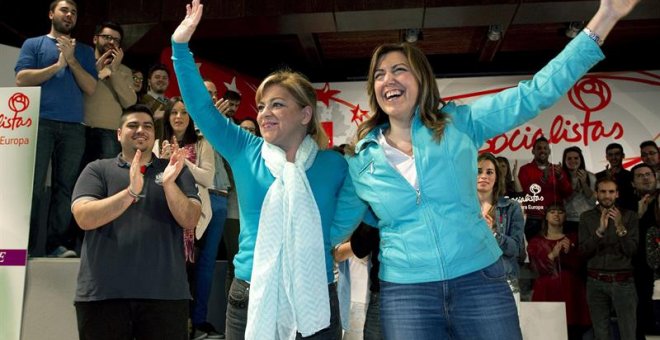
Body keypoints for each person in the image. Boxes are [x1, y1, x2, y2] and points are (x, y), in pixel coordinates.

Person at [333, 0, 641, 338]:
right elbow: (340, 224)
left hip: (479, 281)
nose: (387, 79)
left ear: (421, 77)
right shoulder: (361, 160)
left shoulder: (459, 124)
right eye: (379, 74)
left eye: (398, 69)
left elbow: (535, 93)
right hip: (407, 294)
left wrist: (606, 16)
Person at [171, 2, 366, 338]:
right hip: (250, 294)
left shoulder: (334, 165)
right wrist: (180, 47)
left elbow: (349, 214)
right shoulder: (246, 150)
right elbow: (201, 108)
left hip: (315, 293)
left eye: (277, 104)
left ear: (305, 115)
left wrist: (314, 239)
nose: (264, 113)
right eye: (261, 105)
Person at [70, 104, 201, 340]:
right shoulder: (97, 169)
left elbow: (190, 219)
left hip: (165, 297)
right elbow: (84, 217)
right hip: (103, 295)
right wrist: (130, 192)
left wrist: (169, 185)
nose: (141, 130)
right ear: (119, 134)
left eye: (148, 126)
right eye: (133, 125)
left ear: (154, 134)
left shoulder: (175, 170)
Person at [15, 0, 98, 257]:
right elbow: (22, 79)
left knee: (66, 188)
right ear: (51, 13)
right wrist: (57, 66)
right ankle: (23, 247)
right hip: (39, 122)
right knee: (34, 186)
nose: (69, 15)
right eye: (64, 10)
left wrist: (71, 61)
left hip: (74, 127)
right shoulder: (34, 44)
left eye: (74, 12)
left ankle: (56, 246)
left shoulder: (83, 51)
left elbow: (91, 87)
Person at [156, 97, 222, 340]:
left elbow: (207, 178)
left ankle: (191, 327)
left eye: (184, 112)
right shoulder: (158, 142)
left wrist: (182, 161)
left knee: (192, 275)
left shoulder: (203, 144)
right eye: (174, 112)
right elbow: (155, 180)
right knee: (167, 274)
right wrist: (164, 162)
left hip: (196, 220)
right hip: (165, 218)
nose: (178, 117)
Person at [579, 178, 639, 340]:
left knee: (628, 332)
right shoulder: (586, 217)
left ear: (617, 194)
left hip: (623, 282)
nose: (607, 196)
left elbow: (632, 251)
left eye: (611, 192)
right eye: (603, 192)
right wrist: (599, 232)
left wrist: (620, 227)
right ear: (596, 193)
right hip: (595, 282)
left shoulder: (630, 216)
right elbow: (583, 251)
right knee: (601, 333)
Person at [527, 204, 590, 340]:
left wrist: (570, 251)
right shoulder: (536, 241)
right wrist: (553, 254)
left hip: (571, 295)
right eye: (552, 212)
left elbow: (581, 265)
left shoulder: (574, 238)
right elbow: (536, 268)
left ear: (565, 216)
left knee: (573, 333)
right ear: (546, 216)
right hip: (545, 295)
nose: (556, 215)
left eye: (560, 212)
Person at [84, 20, 137, 161]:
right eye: (107, 37)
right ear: (95, 39)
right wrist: (95, 70)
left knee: (108, 178)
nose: (111, 42)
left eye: (116, 40)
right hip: (80, 129)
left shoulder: (124, 71)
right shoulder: (83, 65)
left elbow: (130, 102)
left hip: (110, 131)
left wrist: (114, 71)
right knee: (74, 178)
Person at [477, 153, 525, 300]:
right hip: (468, 281)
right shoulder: (461, 209)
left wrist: (493, 234)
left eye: (489, 172)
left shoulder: (512, 207)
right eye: (478, 171)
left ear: (497, 177)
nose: (483, 176)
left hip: (504, 280)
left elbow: (516, 249)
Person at [518, 136, 573, 240]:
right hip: (534, 219)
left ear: (549, 151)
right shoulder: (525, 169)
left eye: (545, 148)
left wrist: (561, 177)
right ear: (533, 151)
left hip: (556, 219)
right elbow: (526, 195)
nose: (542, 150)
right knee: (535, 254)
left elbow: (568, 193)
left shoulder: (557, 169)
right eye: (539, 148)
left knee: (557, 254)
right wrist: (543, 179)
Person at [562, 146, 597, 233]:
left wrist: (584, 183)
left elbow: (592, 200)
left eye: (576, 158)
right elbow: (563, 199)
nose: (573, 161)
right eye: (569, 158)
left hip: (587, 220)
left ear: (581, 159)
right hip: (567, 220)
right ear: (564, 160)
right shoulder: (561, 177)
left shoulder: (591, 177)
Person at [595, 143, 636, 211]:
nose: (614, 157)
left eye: (617, 154)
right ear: (607, 157)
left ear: (623, 156)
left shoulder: (630, 175)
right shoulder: (599, 176)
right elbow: (596, 197)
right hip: (604, 213)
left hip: (628, 213)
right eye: (610, 155)